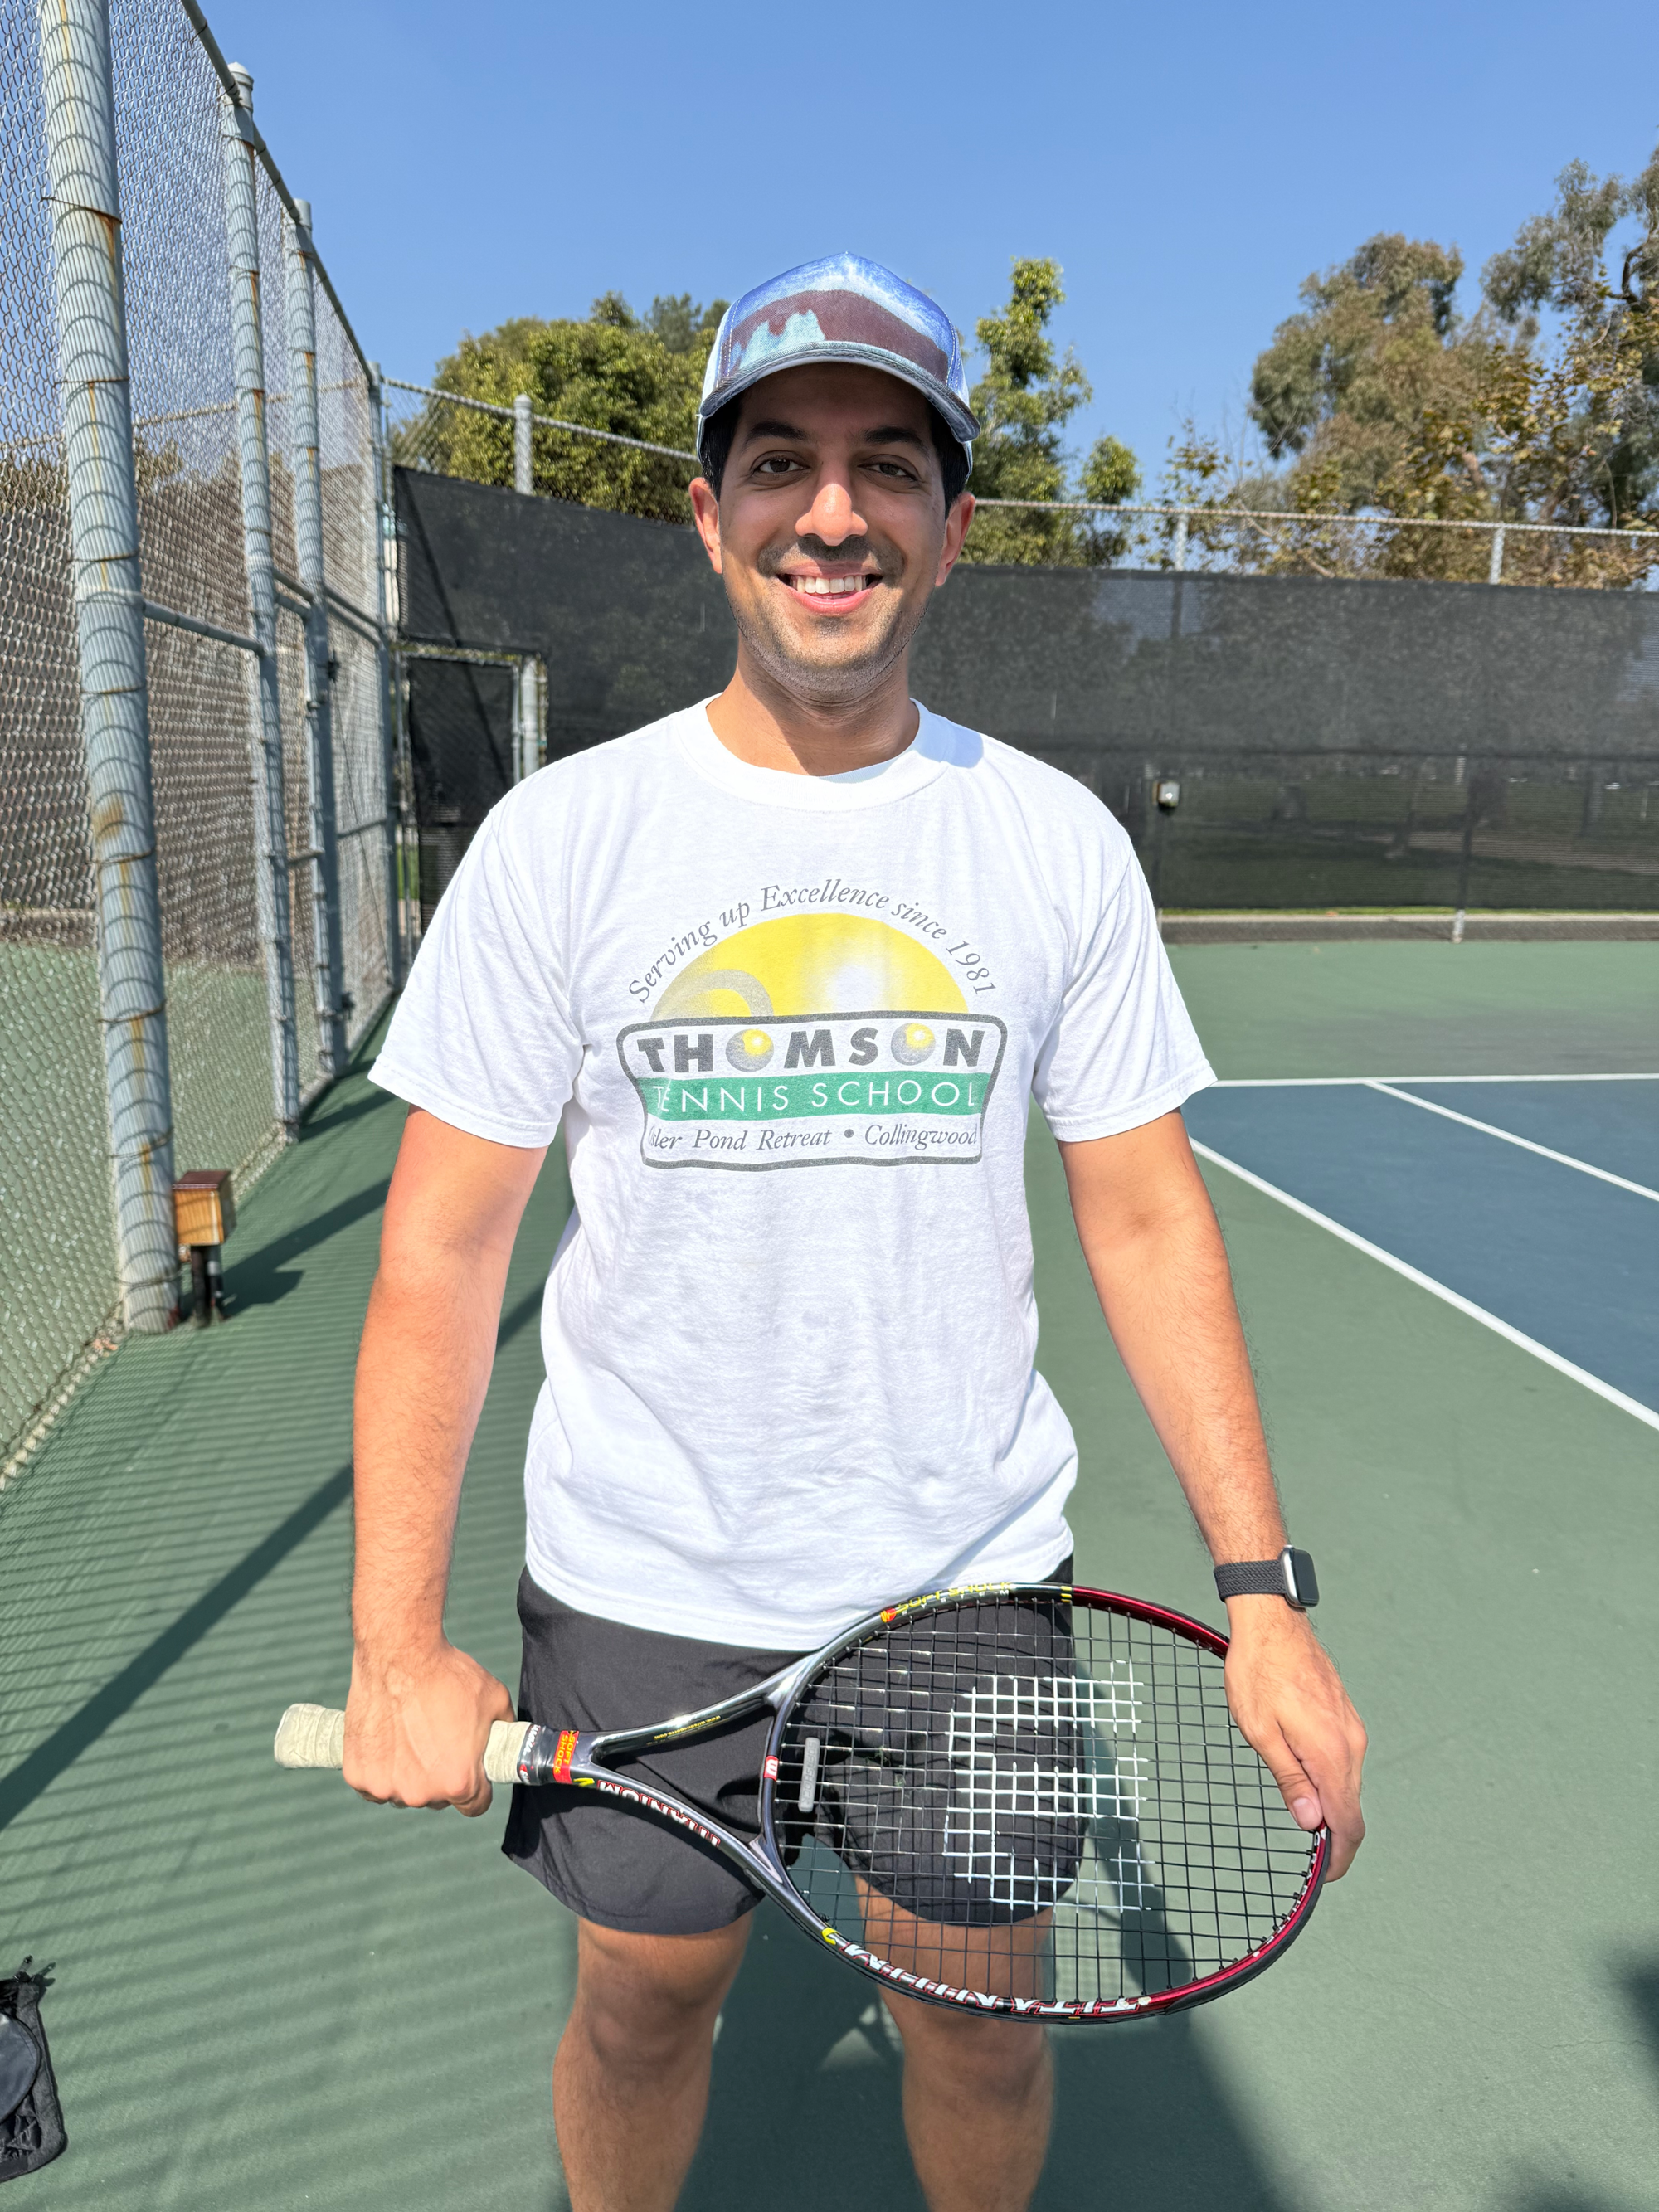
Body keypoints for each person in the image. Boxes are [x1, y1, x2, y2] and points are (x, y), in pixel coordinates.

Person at [346, 252, 1366, 2212]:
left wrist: (1261, 1588)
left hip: (970, 1587)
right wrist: (395, 1634)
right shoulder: (565, 839)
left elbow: (1145, 1212)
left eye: (887, 465)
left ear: (952, 525)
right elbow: (441, 1254)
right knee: (646, 2007)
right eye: (784, 462)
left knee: (978, 2031)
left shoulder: (1051, 838)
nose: (834, 511)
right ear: (710, 510)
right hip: (642, 1580)